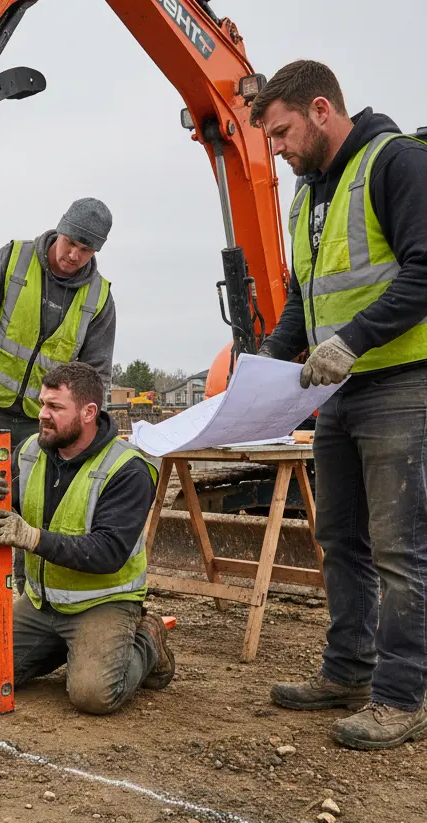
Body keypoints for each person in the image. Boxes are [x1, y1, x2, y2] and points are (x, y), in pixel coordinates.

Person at [250, 59, 427, 749]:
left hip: (401, 386)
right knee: (340, 539)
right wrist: (266, 364)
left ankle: (402, 695)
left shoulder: (396, 162)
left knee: (400, 548)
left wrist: (353, 340)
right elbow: (304, 296)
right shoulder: (307, 195)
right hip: (336, 390)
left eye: (282, 132)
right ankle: (349, 670)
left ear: (321, 109)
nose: (277, 149)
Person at [0, 198, 118, 647]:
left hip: (44, 423)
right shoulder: (13, 262)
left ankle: (26, 615)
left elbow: (96, 375)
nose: (75, 255)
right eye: (71, 243)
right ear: (59, 231)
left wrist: (84, 427)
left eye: (87, 250)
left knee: (33, 516)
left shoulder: (98, 299)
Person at [0, 362, 171, 713]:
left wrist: (32, 538)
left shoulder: (127, 469)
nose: (42, 414)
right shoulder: (30, 451)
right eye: (43, 403)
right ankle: (74, 647)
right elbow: (5, 519)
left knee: (93, 696)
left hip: (102, 602)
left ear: (88, 412)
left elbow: (109, 552)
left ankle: (148, 639)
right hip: (43, 602)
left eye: (55, 407)